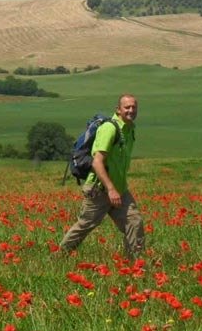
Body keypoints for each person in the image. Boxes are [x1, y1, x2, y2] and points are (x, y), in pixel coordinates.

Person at [58, 93, 144, 258]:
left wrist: (117, 189)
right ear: (118, 110)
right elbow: (97, 162)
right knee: (86, 225)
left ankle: (135, 264)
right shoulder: (109, 129)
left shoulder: (130, 129)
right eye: (127, 107)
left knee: (134, 222)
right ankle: (59, 256)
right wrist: (110, 189)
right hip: (100, 189)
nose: (131, 110)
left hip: (119, 189)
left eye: (134, 107)